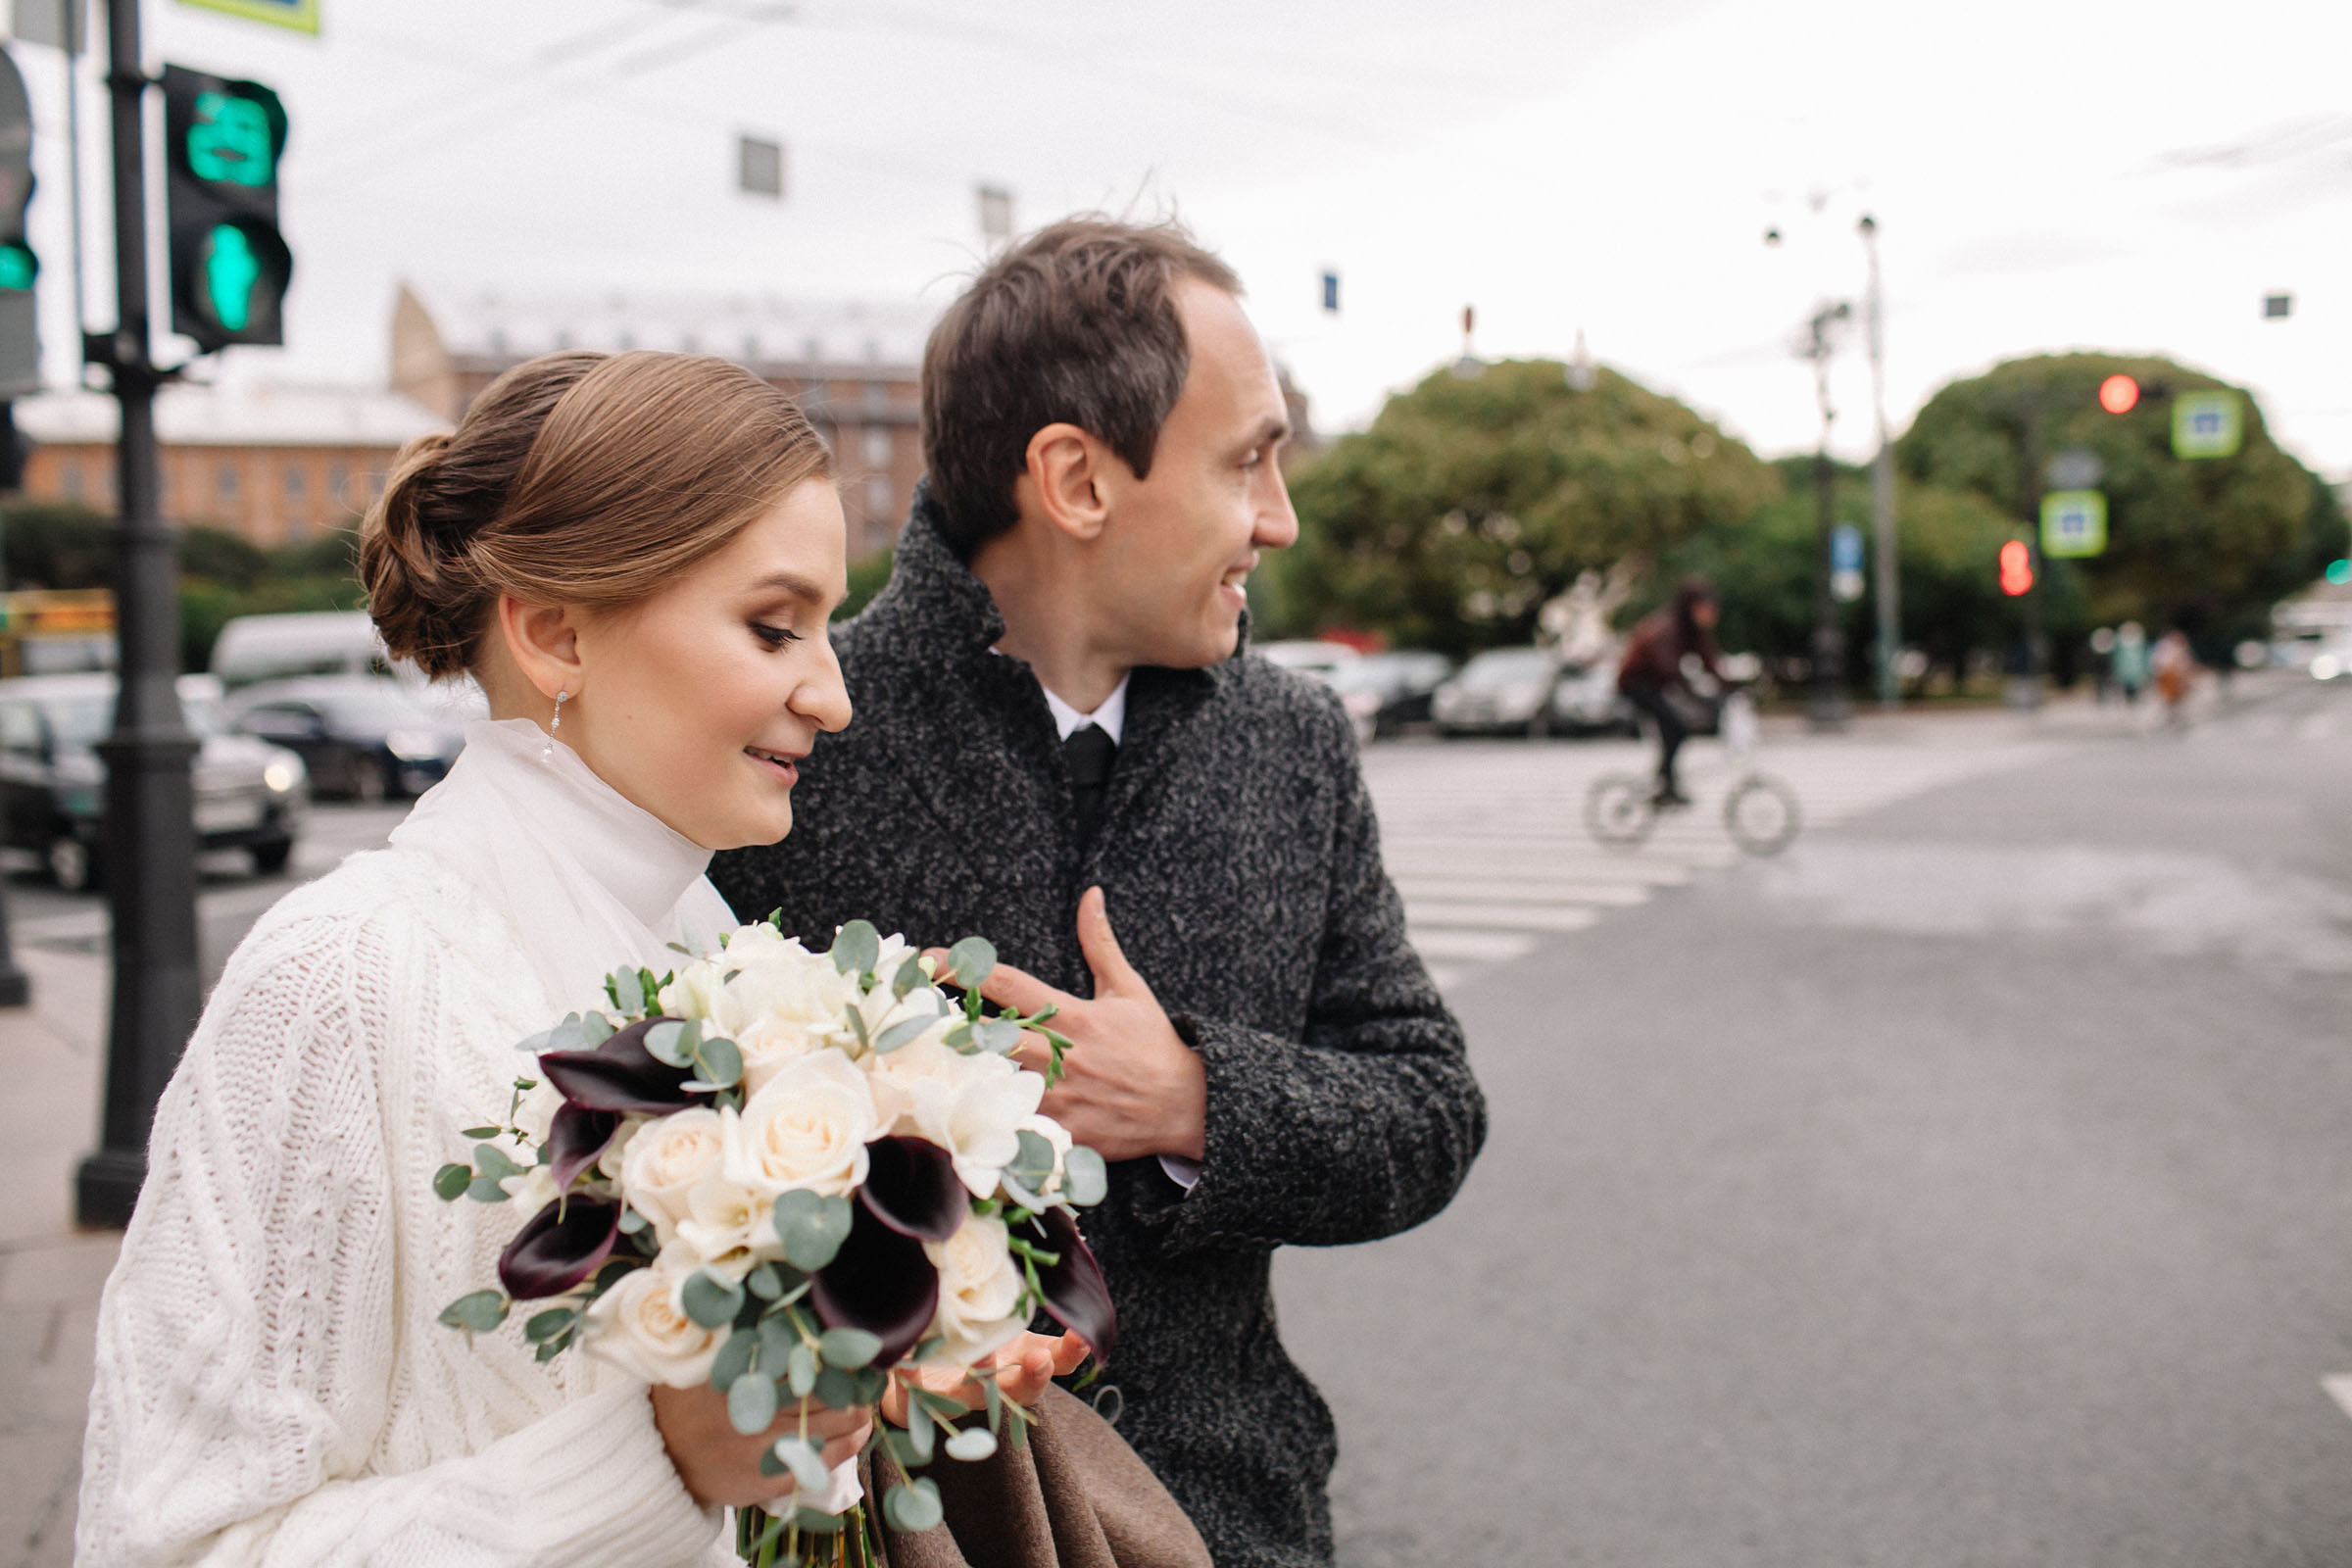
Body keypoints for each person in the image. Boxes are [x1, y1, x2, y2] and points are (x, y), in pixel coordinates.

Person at [74, 352, 1142, 1566]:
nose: (835, 696)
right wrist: (655, 1463)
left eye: (826, 628)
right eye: (774, 627)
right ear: (554, 634)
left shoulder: (714, 946)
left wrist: (877, 1371)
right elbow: (163, 1546)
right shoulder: (340, 978)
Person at [711, 219, 1487, 1568]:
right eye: (1246, 460)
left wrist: (1199, 1099)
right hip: (888, 1537)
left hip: (1232, 1523)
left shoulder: (1295, 743)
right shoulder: (800, 734)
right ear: (1076, 480)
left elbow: (1430, 1108)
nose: (1281, 518)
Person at [1616, 575, 1726, 805]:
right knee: (1678, 727)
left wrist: (1733, 687)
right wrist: (1698, 697)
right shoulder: (1667, 629)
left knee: (1675, 730)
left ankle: (1666, 783)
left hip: (1655, 686)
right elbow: (1669, 669)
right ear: (1691, 607)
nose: (1711, 615)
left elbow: (1711, 664)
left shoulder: (1692, 632)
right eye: (1705, 609)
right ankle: (1665, 780)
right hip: (1636, 684)